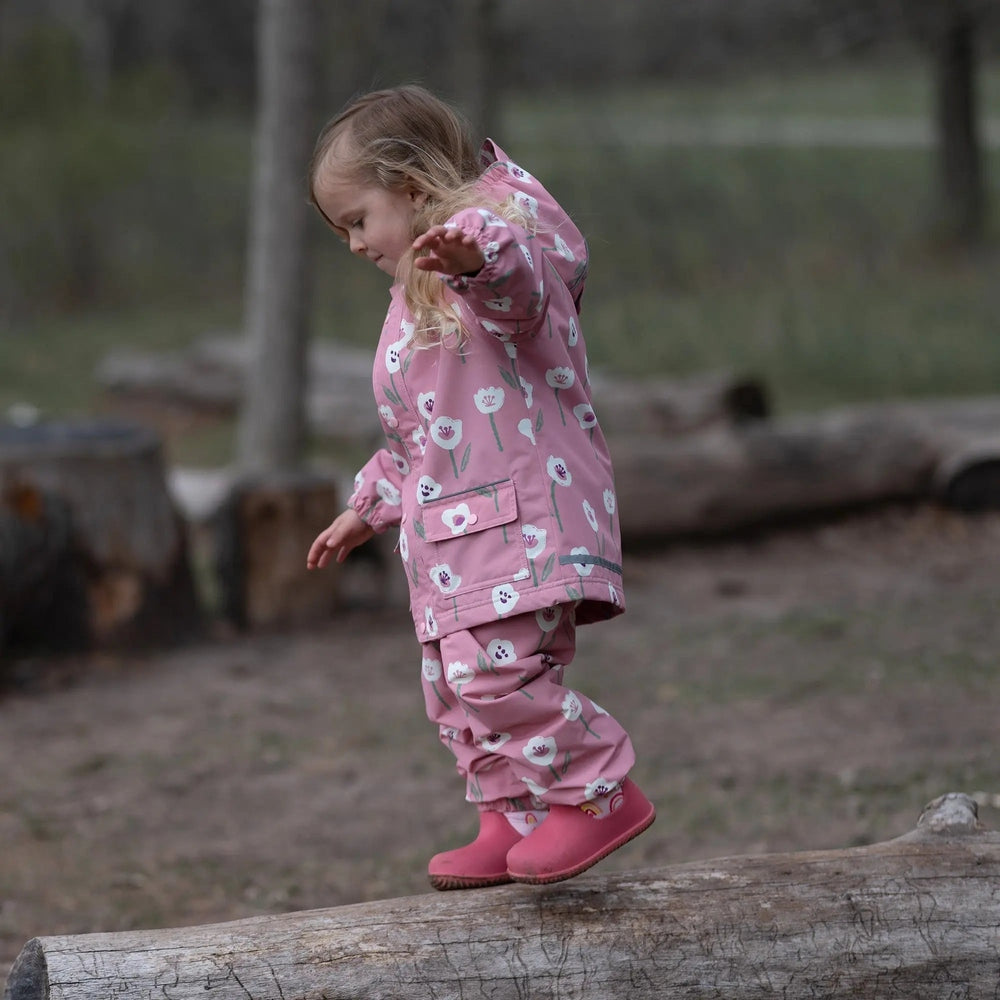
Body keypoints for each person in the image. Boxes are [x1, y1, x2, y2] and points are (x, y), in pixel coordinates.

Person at [306, 85, 654, 889]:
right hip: (456, 534)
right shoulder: (416, 295)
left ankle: (598, 791)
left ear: (417, 190)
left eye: (358, 220)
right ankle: (513, 812)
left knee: (498, 677)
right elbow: (425, 431)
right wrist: (368, 505)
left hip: (521, 524)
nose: (355, 244)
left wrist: (477, 260)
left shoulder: (503, 246)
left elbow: (522, 297)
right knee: (455, 690)